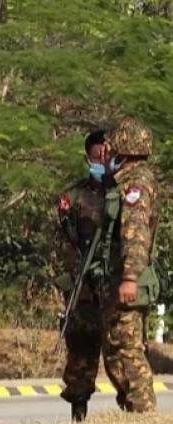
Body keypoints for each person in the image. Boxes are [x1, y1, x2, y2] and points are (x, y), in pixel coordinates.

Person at [98, 117, 158, 414]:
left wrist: (130, 277)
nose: (106, 151)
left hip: (129, 279)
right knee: (115, 349)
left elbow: (135, 233)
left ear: (124, 145)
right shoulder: (121, 181)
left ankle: (143, 412)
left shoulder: (136, 184)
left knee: (129, 349)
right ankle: (132, 411)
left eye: (110, 145)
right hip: (117, 278)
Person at [55, 130, 108, 422]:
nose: (103, 161)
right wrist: (78, 275)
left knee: (123, 349)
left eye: (107, 156)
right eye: (97, 156)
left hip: (115, 282)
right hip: (84, 284)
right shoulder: (73, 196)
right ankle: (79, 411)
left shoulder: (123, 194)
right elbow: (63, 242)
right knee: (81, 349)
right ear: (88, 158)